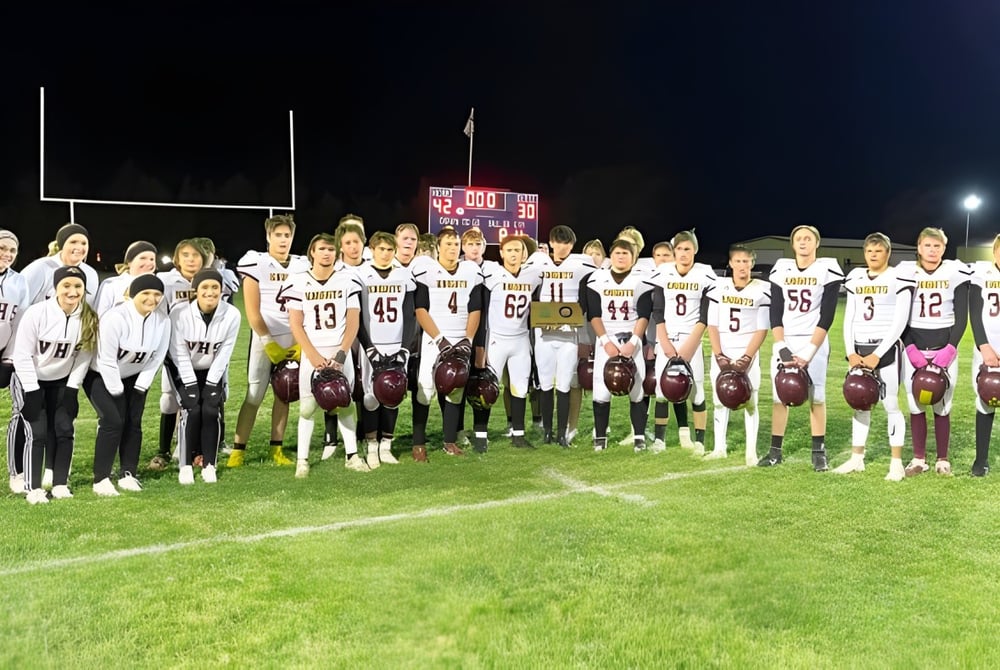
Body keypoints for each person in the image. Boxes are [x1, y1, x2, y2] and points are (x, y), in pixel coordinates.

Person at [228, 214, 310, 467]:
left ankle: (277, 449)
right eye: (278, 235)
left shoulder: (302, 263)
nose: (283, 240)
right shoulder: (256, 261)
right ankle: (238, 450)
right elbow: (252, 310)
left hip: (293, 337)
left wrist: (300, 341)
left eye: (287, 235)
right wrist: (267, 340)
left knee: (284, 393)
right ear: (268, 236)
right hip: (265, 338)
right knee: (254, 394)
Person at [761, 225, 843, 471]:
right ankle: (775, 451)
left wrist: (810, 350)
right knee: (780, 396)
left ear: (817, 243)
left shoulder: (826, 268)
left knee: (816, 396)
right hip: (786, 339)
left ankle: (819, 451)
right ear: (793, 244)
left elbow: (827, 315)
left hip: (813, 339)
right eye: (799, 239)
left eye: (808, 238)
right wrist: (781, 345)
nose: (803, 242)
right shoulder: (781, 268)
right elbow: (775, 311)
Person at [12, 266, 96, 503]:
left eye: (78, 286)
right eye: (66, 285)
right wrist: (31, 389)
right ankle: (33, 488)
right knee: (37, 433)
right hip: (30, 379)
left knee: (65, 429)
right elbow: (22, 355)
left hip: (60, 381)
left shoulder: (89, 317)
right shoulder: (37, 313)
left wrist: (72, 388)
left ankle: (60, 484)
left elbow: (84, 356)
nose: (72, 291)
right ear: (56, 288)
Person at [833, 233, 913, 480]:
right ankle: (857, 458)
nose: (873, 255)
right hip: (859, 347)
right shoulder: (856, 277)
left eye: (878, 251)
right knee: (859, 403)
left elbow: (901, 320)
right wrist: (850, 351)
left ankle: (896, 462)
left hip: (885, 348)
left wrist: (878, 354)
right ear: (864, 253)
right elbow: (850, 316)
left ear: (888, 253)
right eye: (869, 251)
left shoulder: (898, 276)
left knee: (890, 403)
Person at [286, 233, 365, 476]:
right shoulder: (298, 281)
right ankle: (303, 460)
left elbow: (353, 321)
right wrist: (311, 355)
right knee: (308, 408)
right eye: (322, 248)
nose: (327, 253)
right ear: (312, 252)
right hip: (314, 353)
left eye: (331, 249)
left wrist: (341, 354)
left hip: (339, 352)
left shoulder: (347, 280)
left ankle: (352, 455)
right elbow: (296, 324)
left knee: (345, 402)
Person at [87, 275, 170, 495]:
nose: (152, 299)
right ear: (133, 294)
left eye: (157, 294)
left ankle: (127, 473)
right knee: (113, 420)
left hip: (135, 377)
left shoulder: (163, 321)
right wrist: (117, 392)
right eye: (146, 293)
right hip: (100, 375)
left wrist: (141, 386)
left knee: (133, 422)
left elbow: (157, 357)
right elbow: (106, 359)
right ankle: (101, 478)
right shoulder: (115, 317)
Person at [898, 227, 970, 476]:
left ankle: (942, 459)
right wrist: (908, 346)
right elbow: (900, 316)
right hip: (914, 343)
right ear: (918, 247)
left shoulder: (955, 270)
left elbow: (962, 314)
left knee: (943, 403)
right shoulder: (906, 271)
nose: (932, 250)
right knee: (915, 402)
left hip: (944, 342)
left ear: (944, 248)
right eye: (928, 245)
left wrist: (951, 347)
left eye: (937, 246)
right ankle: (918, 458)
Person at [411, 227, 483, 460]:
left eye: (455, 244)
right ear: (438, 247)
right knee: (425, 388)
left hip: (460, 338)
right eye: (448, 244)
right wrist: (439, 339)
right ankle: (418, 443)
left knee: (456, 389)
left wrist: (468, 340)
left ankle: (449, 440)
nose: (452, 248)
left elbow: (475, 308)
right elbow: (420, 309)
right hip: (435, 339)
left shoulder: (471, 271)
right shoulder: (426, 270)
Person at [524, 224, 595, 447]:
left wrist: (576, 317)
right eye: (558, 241)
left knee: (564, 384)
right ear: (551, 242)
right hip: (544, 331)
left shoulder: (581, 264)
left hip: (568, 332)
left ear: (572, 245)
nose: (562, 246)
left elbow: (587, 295)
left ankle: (562, 433)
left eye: (566, 242)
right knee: (545, 383)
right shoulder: (538, 262)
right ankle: (547, 431)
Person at [169, 269, 242, 484]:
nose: (210, 292)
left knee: (211, 408)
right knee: (191, 408)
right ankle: (185, 464)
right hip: (184, 368)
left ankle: (210, 463)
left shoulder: (232, 314)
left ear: (222, 290)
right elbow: (177, 351)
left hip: (212, 369)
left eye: (215, 288)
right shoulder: (179, 314)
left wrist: (212, 383)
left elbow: (225, 351)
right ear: (196, 290)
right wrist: (190, 382)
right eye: (205, 287)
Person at [647, 230, 716, 454]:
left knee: (696, 391)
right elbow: (657, 310)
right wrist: (664, 341)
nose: (683, 253)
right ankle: (660, 440)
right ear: (673, 250)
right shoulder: (664, 272)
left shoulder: (705, 273)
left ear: (695, 250)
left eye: (687, 249)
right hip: (667, 337)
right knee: (661, 390)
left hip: (691, 340)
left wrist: (691, 343)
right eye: (679, 249)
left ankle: (700, 441)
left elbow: (705, 314)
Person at [585, 238, 654, 452]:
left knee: (637, 388)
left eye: (626, 253)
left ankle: (639, 437)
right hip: (607, 338)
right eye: (617, 253)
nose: (621, 256)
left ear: (633, 257)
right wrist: (606, 342)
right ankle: (600, 437)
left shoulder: (641, 280)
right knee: (601, 389)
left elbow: (644, 314)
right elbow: (594, 315)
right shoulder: (597, 278)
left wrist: (634, 342)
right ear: (610, 256)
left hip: (631, 338)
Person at [476, 235, 542, 451]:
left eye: (518, 250)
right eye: (510, 250)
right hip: (496, 338)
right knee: (487, 388)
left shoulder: (533, 276)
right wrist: (481, 346)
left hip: (521, 338)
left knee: (520, 388)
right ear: (502, 253)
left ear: (525, 254)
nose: (514, 254)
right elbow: (482, 310)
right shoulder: (491, 274)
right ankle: (480, 435)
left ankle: (519, 434)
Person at [355, 231, 416, 466]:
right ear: (371, 249)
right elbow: (356, 316)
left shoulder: (403, 275)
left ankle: (386, 445)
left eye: (390, 249)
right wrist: (368, 347)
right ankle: (371, 446)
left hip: (395, 343)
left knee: (394, 394)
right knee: (370, 397)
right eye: (381, 249)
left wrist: (405, 348)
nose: (386, 253)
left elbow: (410, 316)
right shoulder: (360, 275)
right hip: (372, 344)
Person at [148, 239, 209, 470]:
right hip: (174, 350)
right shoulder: (166, 281)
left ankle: (196, 449)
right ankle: (163, 450)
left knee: (204, 400)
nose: (191, 259)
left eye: (195, 255)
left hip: (203, 350)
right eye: (185, 255)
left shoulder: (210, 280)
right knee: (170, 399)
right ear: (177, 258)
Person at [706, 245, 770, 465]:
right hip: (723, 349)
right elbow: (712, 324)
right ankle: (719, 447)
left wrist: (747, 357)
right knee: (719, 400)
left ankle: (751, 451)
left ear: (752, 263)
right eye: (738, 261)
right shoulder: (719, 287)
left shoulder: (761, 289)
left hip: (747, 352)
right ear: (731, 263)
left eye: (746, 261)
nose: (742, 266)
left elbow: (762, 329)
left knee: (750, 401)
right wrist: (718, 354)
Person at [0, 231, 32, 495]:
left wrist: (9, 357)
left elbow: (20, 321)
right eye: (2, 248)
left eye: (12, 250)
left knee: (19, 411)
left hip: (5, 354)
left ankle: (17, 472)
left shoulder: (19, 282)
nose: (7, 254)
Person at [969, 234, 1000, 476]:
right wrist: (984, 346)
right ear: (994, 251)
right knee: (985, 399)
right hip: (987, 347)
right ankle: (981, 460)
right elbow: (974, 312)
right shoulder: (982, 273)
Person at [21, 223, 100, 306]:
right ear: (62, 245)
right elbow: (20, 303)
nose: (79, 247)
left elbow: (89, 308)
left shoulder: (90, 274)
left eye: (84, 243)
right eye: (73, 242)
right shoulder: (40, 268)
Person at [94, 241, 158, 316]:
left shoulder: (159, 286)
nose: (149, 263)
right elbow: (99, 316)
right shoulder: (111, 284)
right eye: (143, 258)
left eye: (152, 259)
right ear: (129, 262)